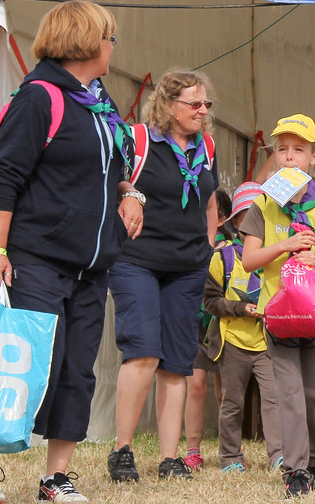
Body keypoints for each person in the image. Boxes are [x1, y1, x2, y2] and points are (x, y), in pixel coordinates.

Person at [0, 1, 140, 503]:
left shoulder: (98, 101)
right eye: (109, 38)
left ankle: (55, 478)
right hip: (37, 259)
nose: (113, 47)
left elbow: (116, 168)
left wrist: (132, 194)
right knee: (25, 367)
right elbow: (5, 175)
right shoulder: (39, 97)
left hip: (92, 267)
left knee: (77, 373)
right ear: (85, 43)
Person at [108, 69, 219, 482]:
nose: (202, 111)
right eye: (194, 103)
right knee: (143, 351)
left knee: (176, 361)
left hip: (187, 267)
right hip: (136, 260)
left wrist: (208, 245)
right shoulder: (138, 140)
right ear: (169, 106)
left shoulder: (207, 146)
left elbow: (210, 201)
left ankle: (171, 459)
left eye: (206, 103)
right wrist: (131, 196)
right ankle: (122, 450)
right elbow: (113, 184)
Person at [240, 114, 315, 498]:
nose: (289, 156)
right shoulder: (263, 203)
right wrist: (285, 246)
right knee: (288, 394)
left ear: (314, 158)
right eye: (282, 149)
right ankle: (296, 470)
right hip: (280, 316)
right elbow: (248, 260)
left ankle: (314, 458)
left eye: (299, 150)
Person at [203, 184, 282, 472]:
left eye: (260, 216)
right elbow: (210, 302)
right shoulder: (222, 258)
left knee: (274, 399)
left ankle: (279, 455)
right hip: (233, 342)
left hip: (267, 343)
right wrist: (240, 308)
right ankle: (230, 457)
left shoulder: (277, 257)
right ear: (235, 222)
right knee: (232, 403)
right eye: (247, 217)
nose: (253, 224)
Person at [182, 189, 230, 472]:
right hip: (195, 328)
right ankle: (193, 450)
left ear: (222, 218)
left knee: (226, 392)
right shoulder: (187, 246)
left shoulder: (232, 250)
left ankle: (230, 449)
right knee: (197, 385)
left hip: (223, 326)